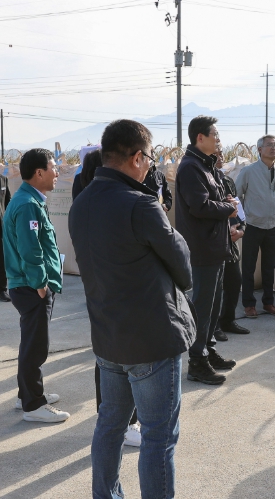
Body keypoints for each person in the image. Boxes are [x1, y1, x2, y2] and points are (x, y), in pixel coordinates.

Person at [69, 119, 196, 498]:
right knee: (159, 436)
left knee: (109, 425)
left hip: (108, 338)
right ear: (138, 158)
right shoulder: (141, 205)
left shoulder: (81, 204)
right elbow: (183, 266)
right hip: (152, 340)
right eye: (151, 159)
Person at [71, 149, 141, 448]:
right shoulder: (110, 202)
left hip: (100, 291)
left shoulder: (85, 201)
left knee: (109, 357)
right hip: (115, 292)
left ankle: (116, 420)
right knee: (118, 360)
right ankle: (122, 423)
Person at [3, 148, 69, 422]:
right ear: (39, 172)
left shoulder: (30, 200)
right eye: (54, 168)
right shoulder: (28, 204)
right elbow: (31, 250)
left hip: (28, 284)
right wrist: (41, 283)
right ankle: (33, 406)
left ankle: (26, 394)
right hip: (31, 286)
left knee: (31, 343)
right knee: (36, 346)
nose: (57, 173)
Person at [176, 115, 238, 385]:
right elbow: (199, 207)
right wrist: (228, 208)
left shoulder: (206, 165)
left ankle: (208, 349)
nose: (219, 140)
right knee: (202, 306)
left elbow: (213, 200)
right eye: (216, 135)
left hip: (216, 245)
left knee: (213, 305)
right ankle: (197, 361)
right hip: (203, 247)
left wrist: (225, 201)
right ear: (200, 138)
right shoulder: (191, 168)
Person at [235, 134, 275, 319]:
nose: (274, 148)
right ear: (260, 150)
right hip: (253, 225)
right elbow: (237, 196)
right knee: (248, 266)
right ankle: (249, 304)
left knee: (269, 266)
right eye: (269, 145)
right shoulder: (249, 171)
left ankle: (268, 302)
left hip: (272, 225)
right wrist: (242, 219)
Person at [212, 151, 249, 341]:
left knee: (234, 282)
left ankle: (228, 320)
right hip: (214, 242)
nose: (220, 156)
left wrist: (241, 230)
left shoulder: (227, 181)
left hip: (231, 244)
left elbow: (239, 212)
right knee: (214, 288)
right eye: (215, 153)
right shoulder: (203, 182)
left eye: (221, 153)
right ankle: (213, 326)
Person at [0, 168, 11, 302]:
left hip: (1, 226)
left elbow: (8, 202)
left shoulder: (3, 180)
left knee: (1, 258)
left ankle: (2, 289)